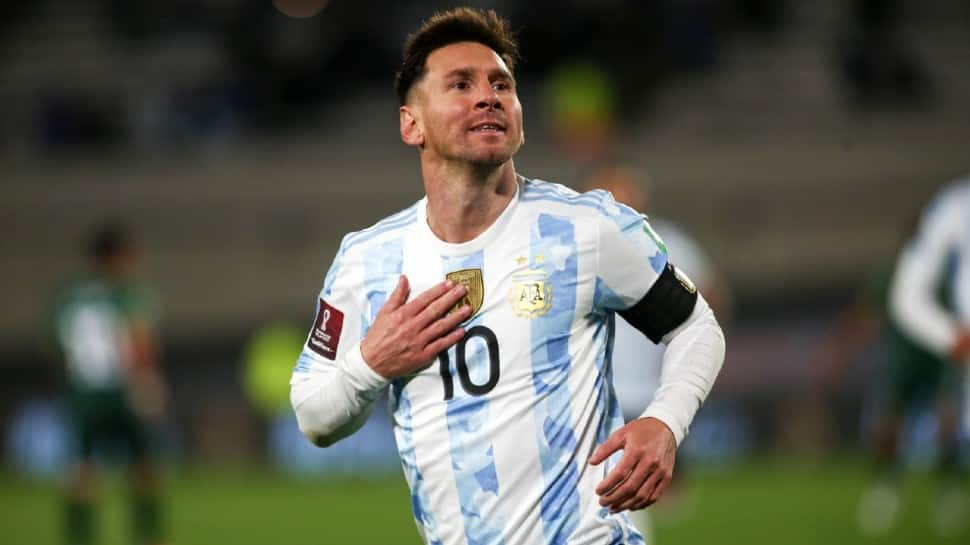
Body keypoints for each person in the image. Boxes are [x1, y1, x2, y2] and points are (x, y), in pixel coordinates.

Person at [290, 8, 725, 545]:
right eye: (460, 84)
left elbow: (697, 325)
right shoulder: (367, 261)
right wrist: (371, 365)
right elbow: (313, 415)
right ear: (412, 123)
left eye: (502, 84)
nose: (489, 96)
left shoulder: (585, 230)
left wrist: (665, 422)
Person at [49, 222, 166, 545]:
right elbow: (137, 337)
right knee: (143, 468)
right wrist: (147, 380)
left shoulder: (69, 297)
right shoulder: (126, 293)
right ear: (115, 257)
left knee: (82, 471)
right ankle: (149, 537)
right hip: (122, 389)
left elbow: (58, 344)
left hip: (83, 394)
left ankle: (79, 538)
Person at [886, 177, 970, 536]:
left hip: (937, 360)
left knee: (945, 422)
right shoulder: (956, 206)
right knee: (897, 420)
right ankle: (887, 490)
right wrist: (952, 337)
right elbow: (904, 298)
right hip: (914, 359)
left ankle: (947, 493)